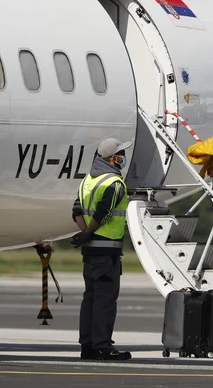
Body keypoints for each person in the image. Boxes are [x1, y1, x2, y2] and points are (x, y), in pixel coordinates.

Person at [71, 137, 133, 361]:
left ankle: (87, 346)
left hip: (90, 251)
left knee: (90, 298)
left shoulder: (87, 180)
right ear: (113, 158)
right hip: (107, 251)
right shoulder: (115, 183)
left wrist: (84, 233)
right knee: (105, 300)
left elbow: (76, 209)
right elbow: (104, 213)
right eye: (121, 154)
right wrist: (90, 232)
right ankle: (103, 346)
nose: (124, 158)